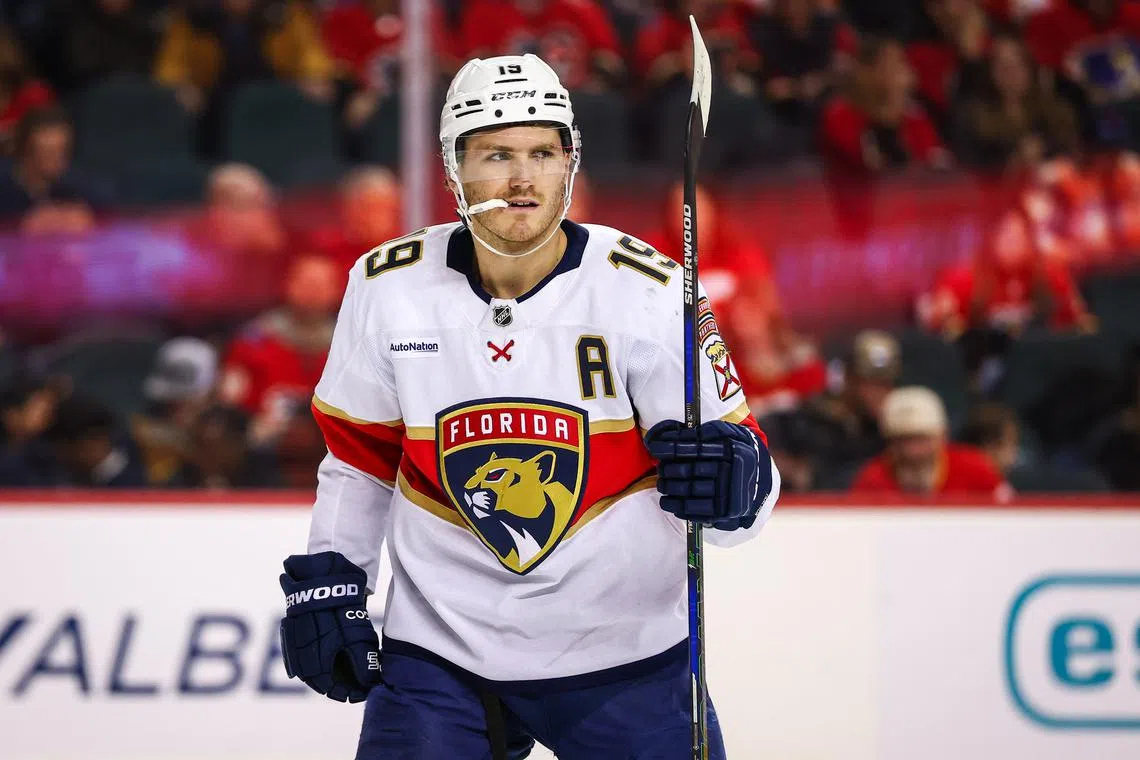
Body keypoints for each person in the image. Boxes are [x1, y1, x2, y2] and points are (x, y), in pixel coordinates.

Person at [276, 53, 779, 759]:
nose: (521, 179)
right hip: (442, 655)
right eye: (496, 155)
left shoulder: (648, 290)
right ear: (454, 167)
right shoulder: (386, 287)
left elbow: (745, 494)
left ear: (571, 161)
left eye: (543, 152)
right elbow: (360, 462)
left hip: (627, 657)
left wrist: (737, 486)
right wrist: (332, 574)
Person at [850, 385, 1008, 497]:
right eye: (901, 440)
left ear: (942, 436)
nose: (911, 451)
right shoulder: (872, 479)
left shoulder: (976, 469)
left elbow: (1010, 515)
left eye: (921, 439)